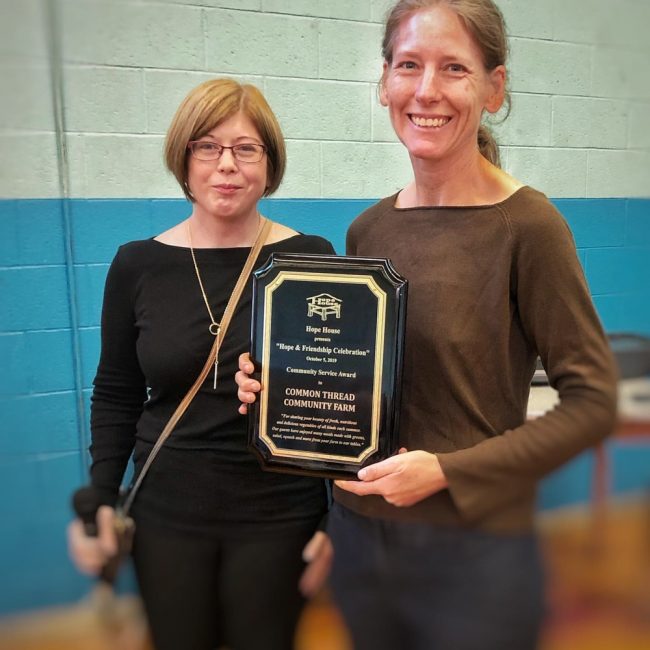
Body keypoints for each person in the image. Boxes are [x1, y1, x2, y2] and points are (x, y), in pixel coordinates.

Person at [235, 2, 619, 649]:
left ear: (494, 88)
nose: (427, 90)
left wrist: (448, 471)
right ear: (385, 82)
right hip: (360, 540)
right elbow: (360, 384)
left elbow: (593, 403)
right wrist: (277, 386)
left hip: (476, 554)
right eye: (409, 65)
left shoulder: (528, 227)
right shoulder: (368, 229)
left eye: (454, 68)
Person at [67, 78, 336, 650]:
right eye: (208, 146)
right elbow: (116, 391)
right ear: (184, 158)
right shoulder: (137, 265)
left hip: (280, 510)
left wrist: (335, 518)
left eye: (246, 148)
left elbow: (338, 397)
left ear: (269, 163)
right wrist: (100, 496)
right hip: (166, 510)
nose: (227, 164)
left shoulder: (309, 259)